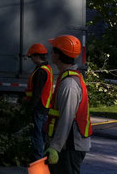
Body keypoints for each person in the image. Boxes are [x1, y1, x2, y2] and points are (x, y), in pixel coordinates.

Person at [45, 34, 92, 174]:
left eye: (53, 50)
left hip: (69, 146)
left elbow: (66, 119)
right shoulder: (66, 78)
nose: (50, 53)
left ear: (58, 55)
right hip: (66, 145)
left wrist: (55, 147)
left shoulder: (69, 84)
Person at [24, 43, 53, 161]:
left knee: (37, 134)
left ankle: (37, 159)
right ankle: (39, 157)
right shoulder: (46, 69)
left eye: (31, 57)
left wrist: (30, 107)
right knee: (40, 133)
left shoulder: (41, 71)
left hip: (39, 106)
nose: (31, 59)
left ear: (37, 56)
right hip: (44, 106)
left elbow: (37, 93)